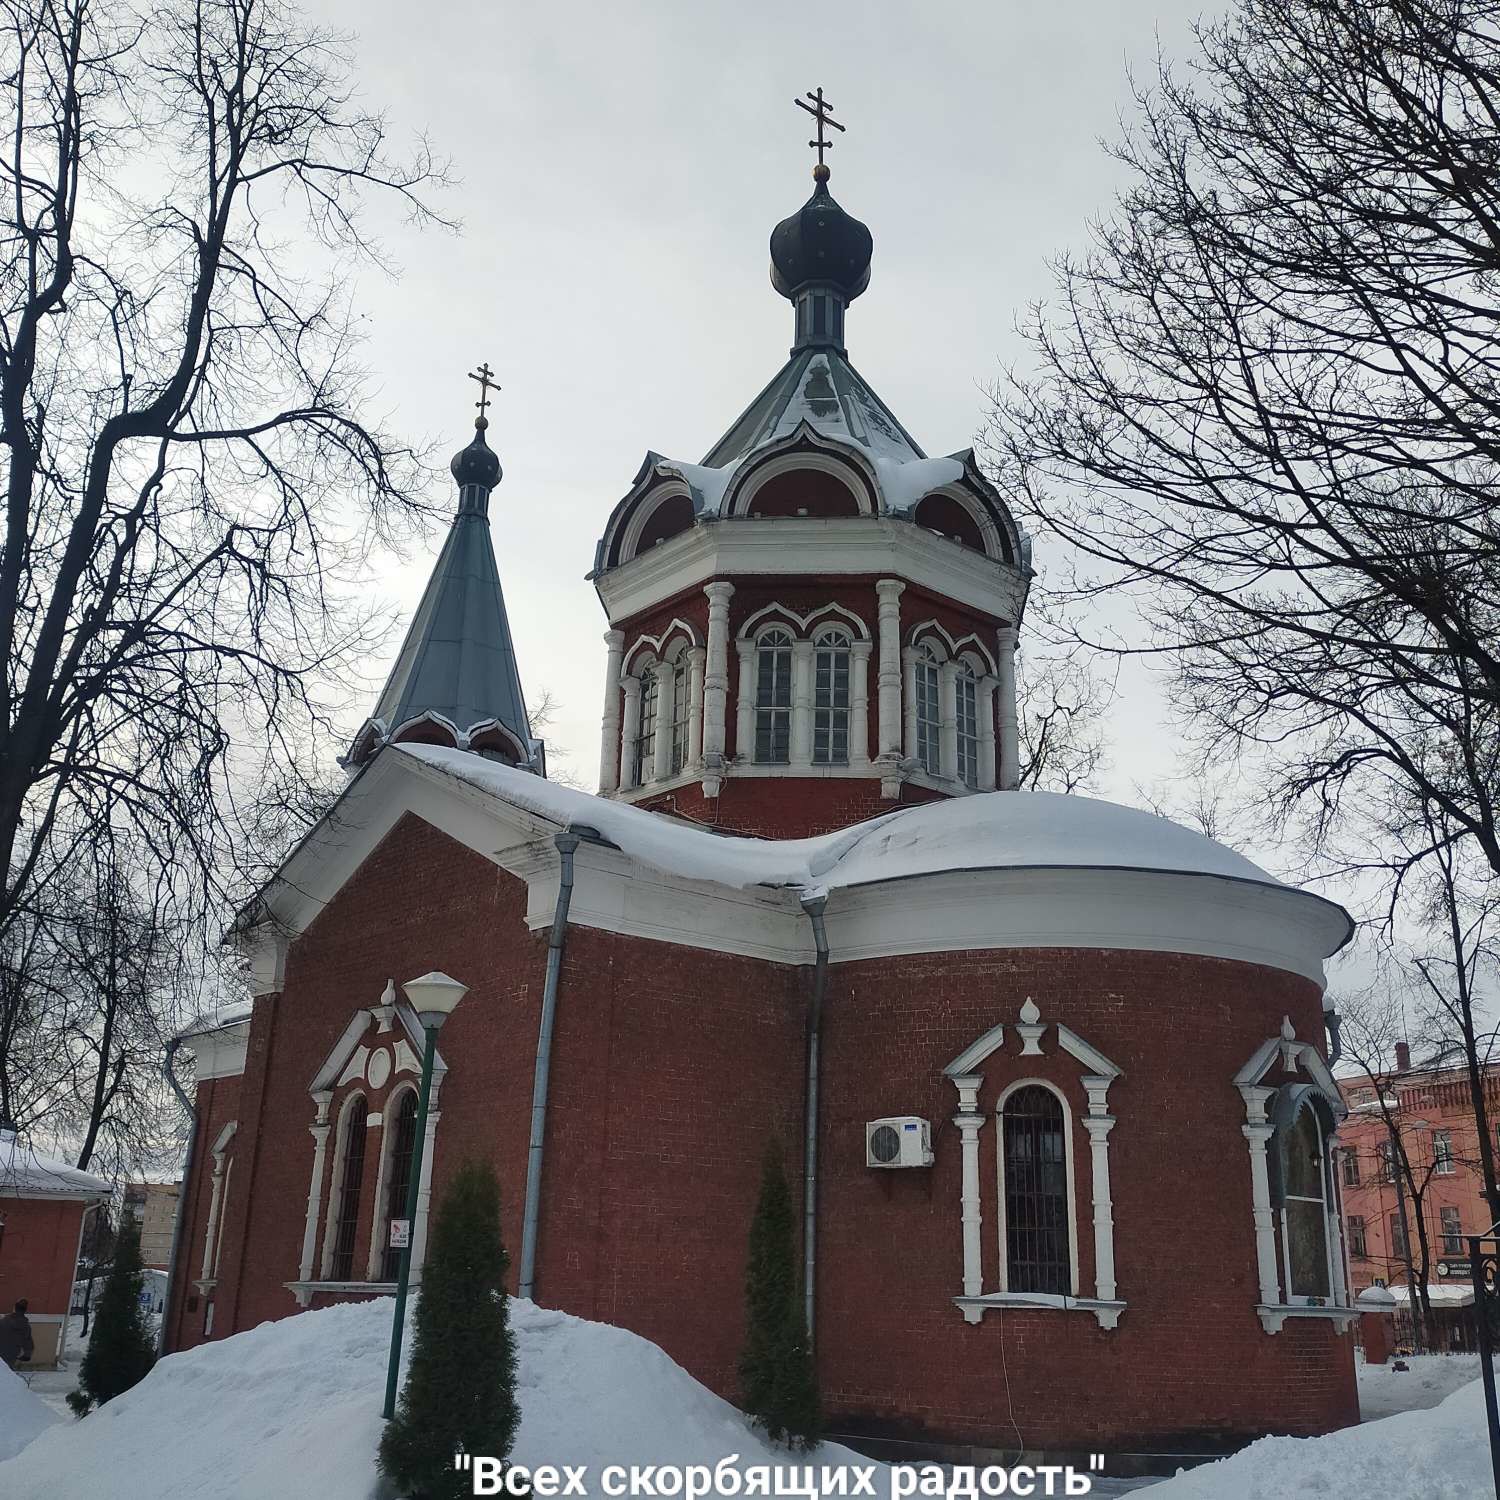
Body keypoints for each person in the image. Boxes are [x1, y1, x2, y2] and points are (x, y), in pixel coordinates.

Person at [0, 1298, 34, 1369]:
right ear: (25, 1310)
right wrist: (27, 1355)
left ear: (14, 1308)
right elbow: (28, 1342)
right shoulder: (26, 1326)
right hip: (12, 1356)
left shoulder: (3, 1321)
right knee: (7, 1374)